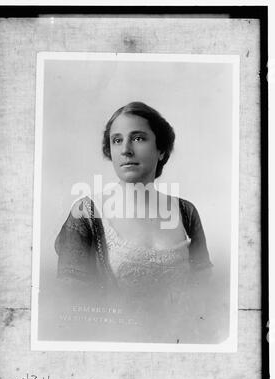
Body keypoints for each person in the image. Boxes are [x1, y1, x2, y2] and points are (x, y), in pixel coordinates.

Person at [54, 102, 213, 342]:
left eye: (138, 138)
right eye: (117, 140)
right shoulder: (87, 213)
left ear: (161, 150)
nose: (126, 150)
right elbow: (71, 304)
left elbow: (206, 295)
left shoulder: (186, 212)